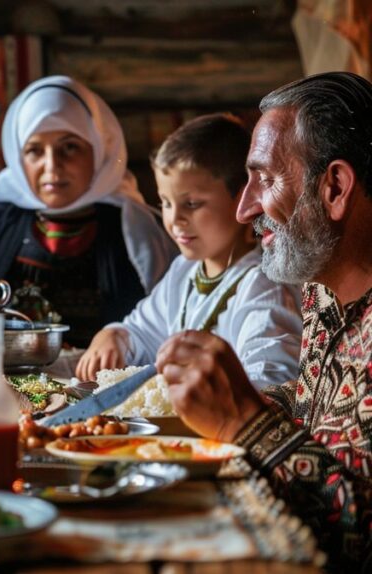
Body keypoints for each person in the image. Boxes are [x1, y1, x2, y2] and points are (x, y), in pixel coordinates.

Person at [155, 72, 372, 570]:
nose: (245, 206)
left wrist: (241, 419)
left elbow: (360, 537)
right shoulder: (324, 291)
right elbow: (317, 423)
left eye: (265, 179)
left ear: (335, 187)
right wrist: (225, 398)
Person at [0, 76, 177, 347]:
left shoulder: (138, 232)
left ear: (100, 148)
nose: (52, 167)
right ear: (18, 158)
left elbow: (163, 325)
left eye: (69, 147)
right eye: (35, 150)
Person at [76, 114, 302, 386]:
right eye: (166, 203)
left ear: (244, 198)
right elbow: (143, 331)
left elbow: (273, 380)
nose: (175, 220)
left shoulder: (263, 285)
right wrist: (115, 336)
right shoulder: (185, 270)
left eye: (192, 204)